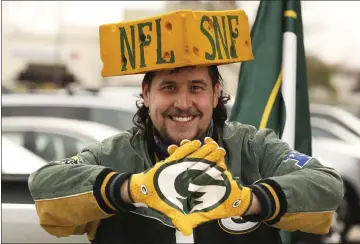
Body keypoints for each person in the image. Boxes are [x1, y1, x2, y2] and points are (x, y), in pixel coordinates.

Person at [28, 9, 344, 244]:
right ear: (146, 93)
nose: (183, 102)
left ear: (216, 93)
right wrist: (135, 188)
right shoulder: (115, 154)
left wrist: (247, 201)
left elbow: (326, 187)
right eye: (169, 88)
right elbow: (45, 186)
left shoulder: (254, 148)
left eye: (196, 87)